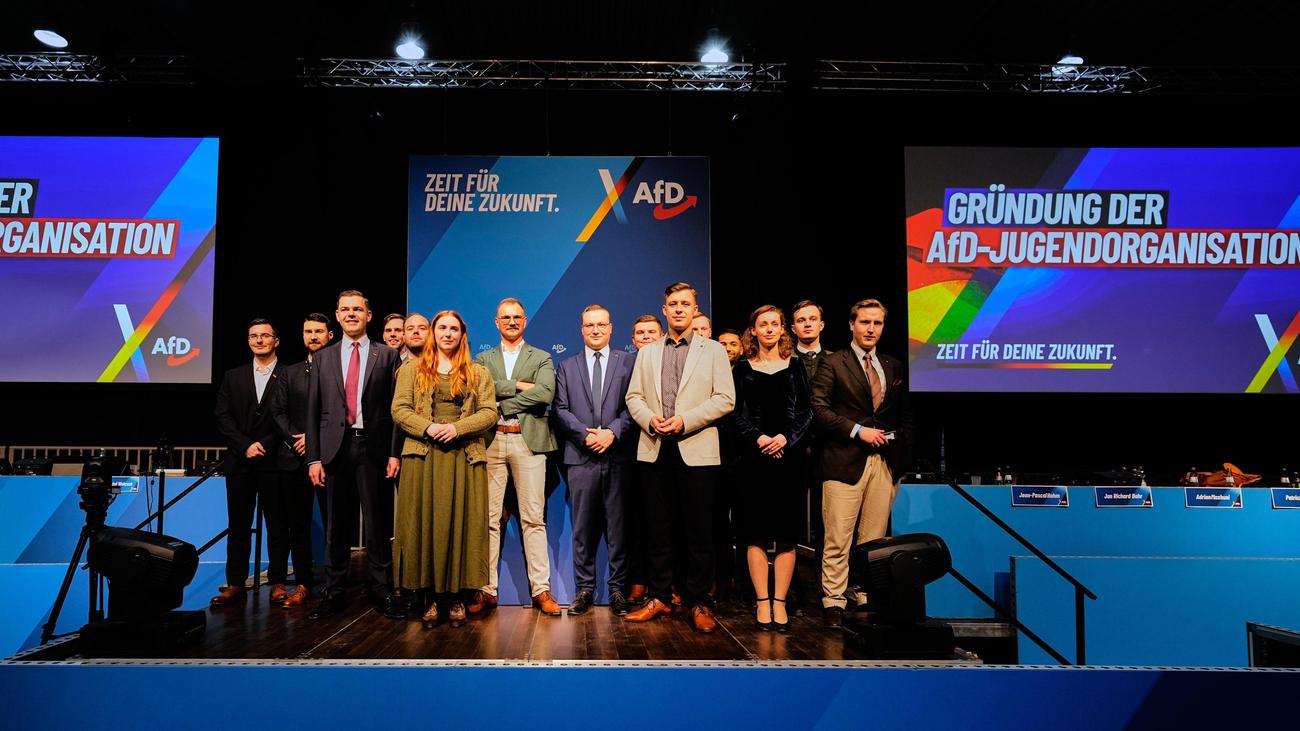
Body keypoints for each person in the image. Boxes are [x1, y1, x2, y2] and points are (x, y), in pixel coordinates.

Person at [623, 282, 735, 633]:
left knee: (699, 531)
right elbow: (634, 397)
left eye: (685, 304)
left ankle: (699, 601)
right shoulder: (648, 351)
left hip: (696, 448)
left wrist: (685, 421)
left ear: (694, 308)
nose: (679, 309)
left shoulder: (714, 350)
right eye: (673, 304)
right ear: (664, 308)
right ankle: (658, 597)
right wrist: (649, 419)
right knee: (658, 529)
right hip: (655, 447)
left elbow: (725, 399)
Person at [391, 311, 498, 628]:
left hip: (463, 456)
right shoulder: (411, 369)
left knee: (462, 526)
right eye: (442, 328)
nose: (448, 333)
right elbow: (399, 409)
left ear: (462, 334)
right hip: (424, 457)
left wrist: (458, 428)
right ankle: (431, 600)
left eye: (454, 328)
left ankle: (456, 600)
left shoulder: (478, 372)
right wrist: (428, 428)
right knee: (424, 525)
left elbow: (490, 412)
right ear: (433, 333)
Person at [811, 299, 913, 628]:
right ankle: (834, 601)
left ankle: (867, 595)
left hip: (883, 461)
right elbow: (820, 409)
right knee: (838, 536)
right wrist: (858, 431)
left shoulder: (893, 365)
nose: (871, 329)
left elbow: (905, 415)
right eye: (865, 323)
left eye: (877, 324)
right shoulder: (833, 362)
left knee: (874, 539)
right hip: (844, 459)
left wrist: (900, 448)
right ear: (852, 325)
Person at [305, 290, 404, 621]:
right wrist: (314, 458)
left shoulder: (387, 356)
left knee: (377, 524)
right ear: (337, 315)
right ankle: (333, 592)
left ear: (368, 315)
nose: (351, 315)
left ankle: (381, 589)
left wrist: (394, 453)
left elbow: (394, 411)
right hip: (335, 449)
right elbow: (314, 411)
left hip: (373, 448)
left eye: (357, 310)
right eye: (345, 310)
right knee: (338, 525)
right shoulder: (323, 358)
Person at [471, 298, 561, 616]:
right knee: (490, 519)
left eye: (517, 317)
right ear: (496, 322)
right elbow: (481, 392)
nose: (511, 322)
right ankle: (486, 589)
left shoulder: (542, 357)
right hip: (492, 442)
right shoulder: (482, 358)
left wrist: (504, 401)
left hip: (528, 442)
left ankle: (541, 590)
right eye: (505, 317)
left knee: (533, 518)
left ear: (524, 321)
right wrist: (520, 386)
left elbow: (545, 393)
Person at [731, 306, 813, 631]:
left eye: (774, 324)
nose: (768, 329)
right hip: (753, 461)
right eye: (762, 324)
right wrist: (760, 439)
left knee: (786, 536)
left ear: (783, 329)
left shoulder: (795, 366)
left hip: (788, 461)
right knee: (755, 534)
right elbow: (735, 414)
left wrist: (785, 438)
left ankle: (780, 603)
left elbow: (807, 411)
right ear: (752, 330)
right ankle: (761, 602)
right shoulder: (742, 369)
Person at [552, 305, 637, 615]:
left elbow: (634, 407)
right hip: (581, 456)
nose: (596, 330)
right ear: (582, 329)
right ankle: (584, 590)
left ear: (611, 328)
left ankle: (617, 591)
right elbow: (560, 409)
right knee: (582, 530)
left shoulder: (628, 363)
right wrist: (586, 436)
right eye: (590, 325)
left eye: (601, 324)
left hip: (618, 457)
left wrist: (612, 433)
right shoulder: (566, 366)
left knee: (618, 529)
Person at [211, 319, 288, 606]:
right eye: (253, 336)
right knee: (238, 527)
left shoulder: (287, 374)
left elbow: (287, 417)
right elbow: (222, 415)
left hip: (274, 460)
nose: (259, 340)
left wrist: (264, 444)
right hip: (240, 462)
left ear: (276, 341)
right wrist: (245, 446)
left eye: (265, 335)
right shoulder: (233, 376)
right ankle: (235, 583)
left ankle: (278, 581)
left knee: (278, 525)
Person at [625, 313, 664, 602]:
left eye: (652, 332)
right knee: (636, 519)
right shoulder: (625, 366)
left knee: (664, 521)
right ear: (633, 339)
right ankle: (638, 580)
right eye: (640, 333)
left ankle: (667, 582)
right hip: (629, 450)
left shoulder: (671, 363)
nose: (646, 337)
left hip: (664, 446)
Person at [791, 300, 830, 380]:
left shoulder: (836, 360)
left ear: (821, 326)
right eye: (801, 320)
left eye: (813, 319)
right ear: (794, 329)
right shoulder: (784, 359)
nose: (807, 324)